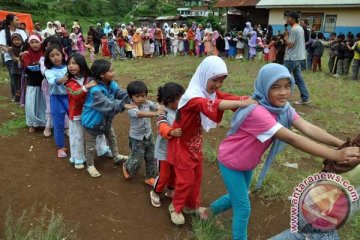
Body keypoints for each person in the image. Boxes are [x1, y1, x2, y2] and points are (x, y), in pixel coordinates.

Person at [201, 63, 360, 240]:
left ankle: (207, 213)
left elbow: (307, 127)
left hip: (247, 162)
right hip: (231, 162)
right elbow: (292, 137)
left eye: (287, 86)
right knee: (243, 207)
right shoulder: (258, 112)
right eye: (275, 87)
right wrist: (336, 155)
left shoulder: (282, 108)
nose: (283, 92)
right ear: (264, 87)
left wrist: (343, 144)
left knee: (238, 196)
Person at [166, 56, 256, 225]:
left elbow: (226, 97)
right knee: (185, 180)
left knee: (197, 178)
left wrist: (246, 99)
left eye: (221, 80)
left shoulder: (208, 92)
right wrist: (243, 104)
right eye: (214, 80)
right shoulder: (192, 97)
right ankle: (175, 207)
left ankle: (190, 206)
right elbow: (211, 104)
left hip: (194, 144)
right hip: (181, 145)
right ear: (204, 75)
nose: (218, 85)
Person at [82, 59, 132, 177]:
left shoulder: (111, 83)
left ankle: (116, 156)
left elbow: (120, 93)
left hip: (105, 120)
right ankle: (90, 165)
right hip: (92, 122)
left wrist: (131, 98)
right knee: (90, 146)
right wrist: (123, 104)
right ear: (101, 74)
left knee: (112, 138)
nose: (113, 73)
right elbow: (107, 104)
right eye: (110, 71)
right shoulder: (95, 90)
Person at [65, 54, 110, 170]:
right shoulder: (69, 82)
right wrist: (87, 87)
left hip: (92, 112)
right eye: (69, 63)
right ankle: (78, 158)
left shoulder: (89, 77)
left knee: (98, 131)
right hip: (76, 113)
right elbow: (75, 94)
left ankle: (103, 150)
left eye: (74, 63)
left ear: (81, 64)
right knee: (77, 136)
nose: (71, 66)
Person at [150, 82, 185, 208]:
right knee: (164, 175)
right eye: (180, 99)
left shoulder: (180, 110)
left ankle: (170, 190)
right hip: (164, 151)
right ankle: (155, 192)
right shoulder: (162, 112)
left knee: (175, 173)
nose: (183, 101)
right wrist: (171, 131)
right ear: (170, 101)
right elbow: (162, 126)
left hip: (176, 151)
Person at [122, 80, 163, 186]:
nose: (141, 98)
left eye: (143, 95)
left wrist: (158, 107)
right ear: (131, 97)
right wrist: (155, 113)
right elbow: (140, 114)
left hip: (149, 135)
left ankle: (150, 176)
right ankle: (127, 166)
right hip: (137, 138)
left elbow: (155, 105)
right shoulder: (132, 108)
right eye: (137, 96)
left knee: (152, 156)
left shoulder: (147, 103)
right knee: (137, 158)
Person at [44, 44, 69, 158]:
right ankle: (60, 147)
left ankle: (76, 142)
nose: (56, 58)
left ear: (62, 54)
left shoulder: (69, 67)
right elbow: (53, 81)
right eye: (52, 56)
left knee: (76, 121)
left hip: (70, 98)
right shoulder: (49, 71)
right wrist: (62, 79)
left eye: (57, 54)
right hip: (56, 99)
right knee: (58, 124)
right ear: (48, 58)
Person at [283, 11, 310, 105]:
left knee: (283, 77)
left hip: (292, 57)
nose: (286, 19)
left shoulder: (294, 30)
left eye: (287, 17)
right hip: (299, 57)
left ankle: (283, 97)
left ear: (293, 19)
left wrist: (286, 37)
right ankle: (305, 97)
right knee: (299, 79)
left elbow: (290, 45)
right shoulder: (300, 28)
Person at [0, 13, 28, 102]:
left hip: (22, 58)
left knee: (23, 76)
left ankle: (23, 95)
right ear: (10, 22)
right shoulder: (3, 32)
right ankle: (15, 96)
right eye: (16, 20)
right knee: (13, 77)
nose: (18, 21)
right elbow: (2, 46)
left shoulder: (22, 32)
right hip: (9, 58)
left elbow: (26, 44)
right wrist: (11, 52)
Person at [22, 35, 46, 133]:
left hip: (43, 83)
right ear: (29, 44)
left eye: (36, 42)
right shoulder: (26, 54)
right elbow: (29, 67)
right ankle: (32, 123)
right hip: (32, 83)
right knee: (32, 104)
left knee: (43, 104)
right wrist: (40, 64)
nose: (34, 45)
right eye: (32, 42)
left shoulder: (45, 53)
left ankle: (44, 122)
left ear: (41, 42)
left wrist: (37, 64)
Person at [8, 33, 24, 103]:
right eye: (14, 40)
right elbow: (13, 57)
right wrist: (18, 59)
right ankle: (17, 99)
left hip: (22, 69)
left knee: (22, 84)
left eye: (18, 40)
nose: (17, 41)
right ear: (12, 41)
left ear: (21, 40)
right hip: (14, 69)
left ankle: (22, 99)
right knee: (16, 84)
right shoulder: (10, 49)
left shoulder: (24, 47)